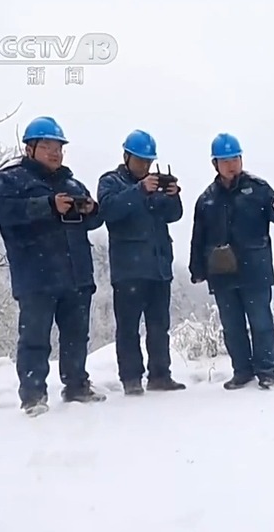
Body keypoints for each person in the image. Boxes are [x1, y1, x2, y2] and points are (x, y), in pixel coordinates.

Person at [0, 116, 106, 416]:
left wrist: (91, 210)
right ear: (30, 148)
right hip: (35, 275)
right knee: (35, 338)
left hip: (76, 274)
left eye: (59, 147)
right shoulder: (9, 180)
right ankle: (33, 395)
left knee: (77, 337)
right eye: (48, 146)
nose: (55, 152)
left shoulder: (72, 182)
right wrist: (47, 205)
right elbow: (1, 210)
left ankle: (77, 385)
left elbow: (93, 221)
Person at [188, 133, 274, 390]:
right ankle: (242, 371)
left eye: (235, 158)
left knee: (261, 322)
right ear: (215, 164)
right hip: (221, 273)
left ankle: (267, 370)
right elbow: (198, 237)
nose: (231, 164)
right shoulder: (207, 199)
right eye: (225, 160)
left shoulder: (257, 189)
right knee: (232, 326)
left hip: (255, 270)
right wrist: (197, 269)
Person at [97, 130, 187, 395]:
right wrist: (138, 191)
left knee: (160, 326)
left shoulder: (154, 183)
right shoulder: (111, 182)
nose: (145, 166)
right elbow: (108, 212)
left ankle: (160, 375)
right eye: (140, 160)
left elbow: (174, 215)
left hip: (159, 268)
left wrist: (172, 196)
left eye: (148, 161)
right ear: (126, 156)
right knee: (128, 328)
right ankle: (131, 378)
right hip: (128, 270)